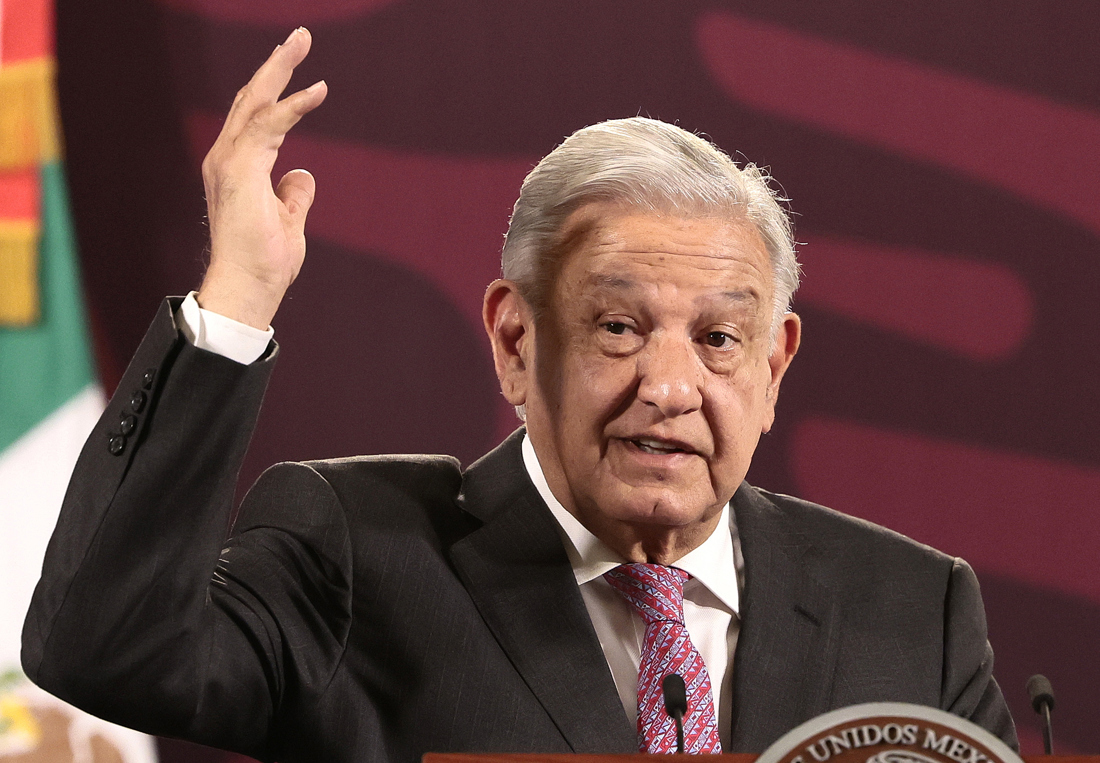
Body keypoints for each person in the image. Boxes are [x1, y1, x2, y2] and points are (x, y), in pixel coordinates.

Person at [22, 27, 1016, 763]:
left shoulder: (907, 610)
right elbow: (104, 652)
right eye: (618, 328)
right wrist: (235, 296)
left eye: (718, 339)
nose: (668, 386)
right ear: (512, 339)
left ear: (773, 365)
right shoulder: (358, 556)